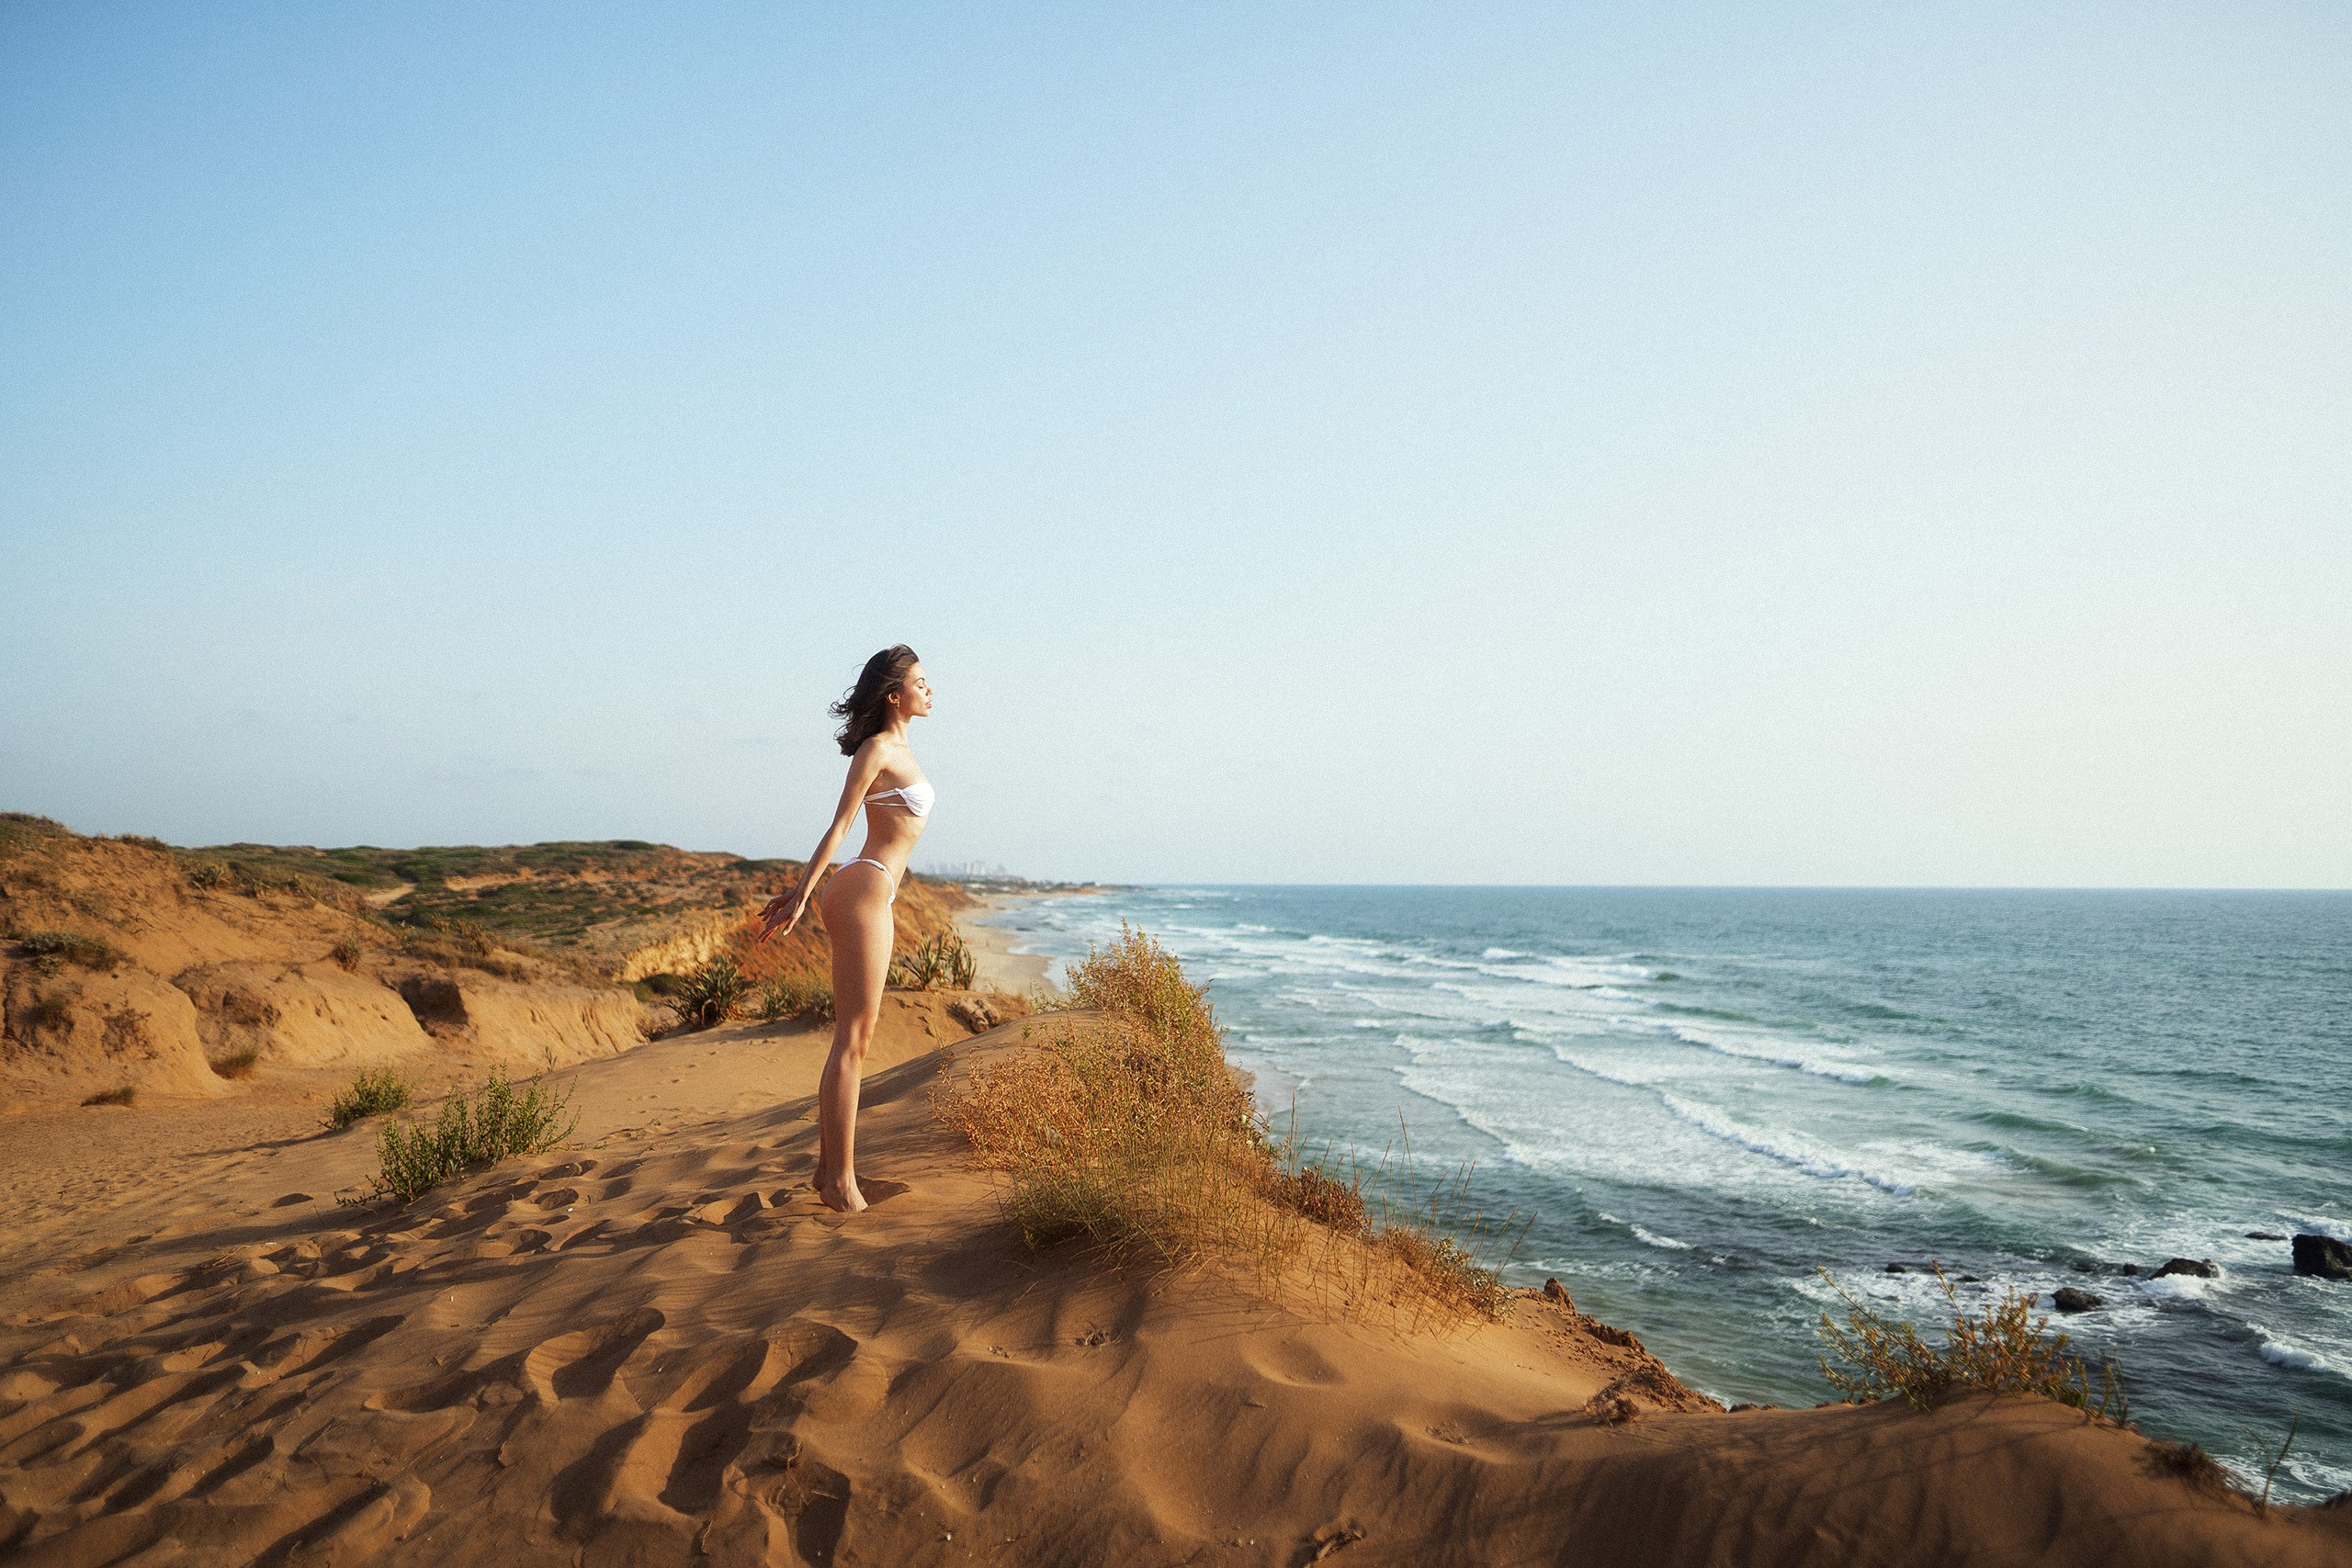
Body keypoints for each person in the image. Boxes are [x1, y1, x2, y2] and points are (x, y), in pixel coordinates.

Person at [757, 645, 934, 1212]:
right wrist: (803, 895)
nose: (930, 691)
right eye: (921, 682)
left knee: (858, 1038)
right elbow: (839, 827)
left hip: (873, 889)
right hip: (862, 890)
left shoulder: (901, 749)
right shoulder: (878, 749)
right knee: (852, 1041)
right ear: (893, 695)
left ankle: (827, 1168)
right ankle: (840, 1181)